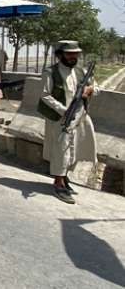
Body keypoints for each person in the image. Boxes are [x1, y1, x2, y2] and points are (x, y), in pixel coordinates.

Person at [38, 40, 98, 204]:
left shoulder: (82, 71)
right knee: (61, 150)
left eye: (75, 54)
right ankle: (58, 183)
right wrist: (64, 111)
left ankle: (65, 178)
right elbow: (45, 95)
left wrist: (89, 90)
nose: (73, 57)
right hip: (61, 118)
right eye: (69, 54)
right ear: (60, 55)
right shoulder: (51, 72)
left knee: (76, 148)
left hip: (80, 117)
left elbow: (96, 87)